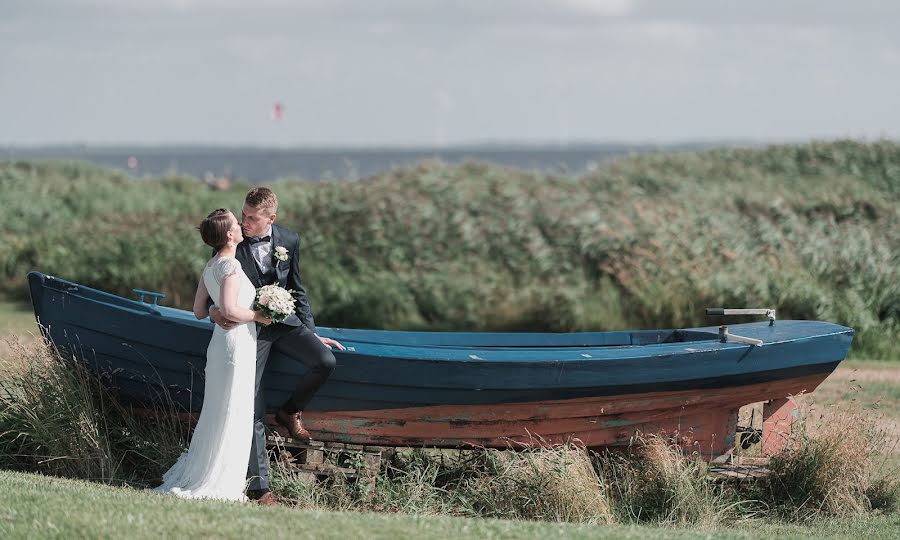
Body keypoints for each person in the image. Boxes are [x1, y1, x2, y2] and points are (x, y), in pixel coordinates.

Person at [208, 187, 343, 506]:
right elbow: (213, 284)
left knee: (325, 360)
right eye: (243, 215)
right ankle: (261, 489)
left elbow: (297, 288)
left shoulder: (290, 240)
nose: (244, 222)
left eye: (252, 217)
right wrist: (215, 312)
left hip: (286, 324)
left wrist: (311, 332)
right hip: (249, 330)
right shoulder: (231, 241)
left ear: (271, 218)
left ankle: (290, 411)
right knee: (253, 405)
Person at [154, 209, 272, 501]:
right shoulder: (230, 267)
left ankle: (210, 469)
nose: (241, 225)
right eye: (236, 223)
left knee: (218, 408)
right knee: (232, 407)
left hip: (221, 343)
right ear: (229, 235)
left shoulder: (210, 267)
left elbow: (198, 310)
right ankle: (221, 479)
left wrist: (213, 311)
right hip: (236, 344)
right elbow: (231, 310)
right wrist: (260, 315)